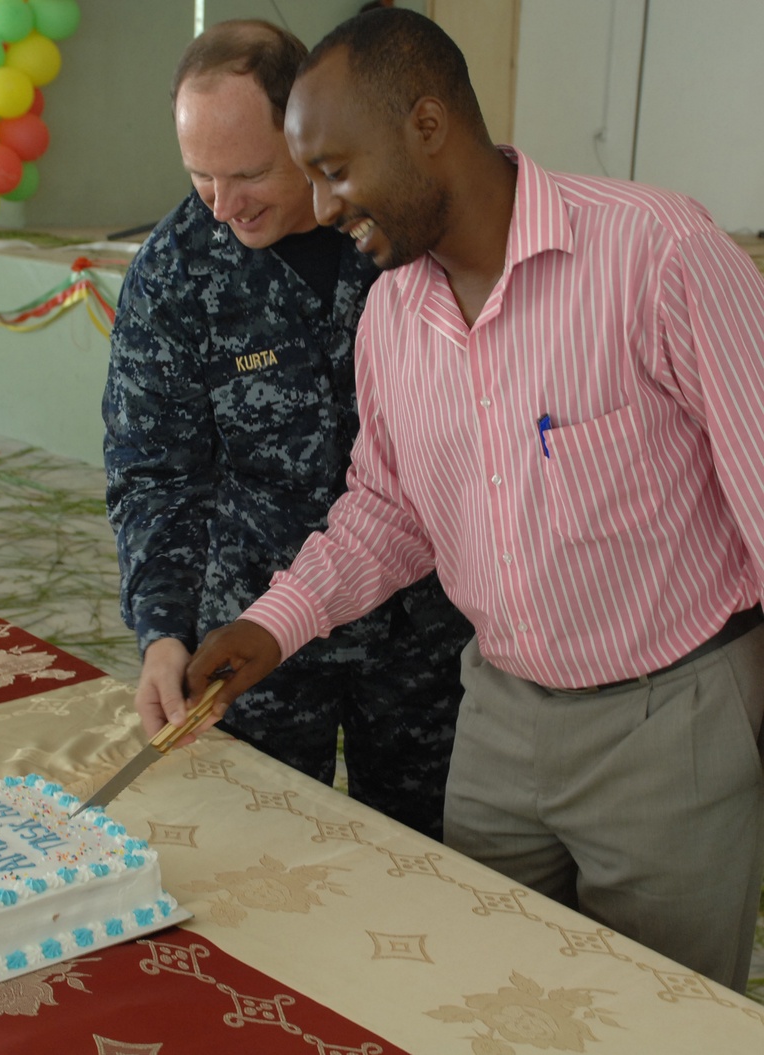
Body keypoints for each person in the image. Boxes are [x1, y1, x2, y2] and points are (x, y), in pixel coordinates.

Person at [184, 8, 764, 993]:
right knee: (487, 988)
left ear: (424, 126)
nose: (322, 207)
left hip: (674, 729)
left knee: (664, 1013)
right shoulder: (391, 314)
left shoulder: (654, 252)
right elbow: (388, 511)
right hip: (497, 721)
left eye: (334, 168)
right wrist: (272, 624)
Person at [102, 19, 470, 839]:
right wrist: (163, 630)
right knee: (256, 853)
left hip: (426, 632)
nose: (225, 206)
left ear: (306, 130)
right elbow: (153, 470)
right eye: (201, 178)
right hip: (256, 633)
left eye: (250, 173)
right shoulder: (174, 272)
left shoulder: (399, 236)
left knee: (433, 861)